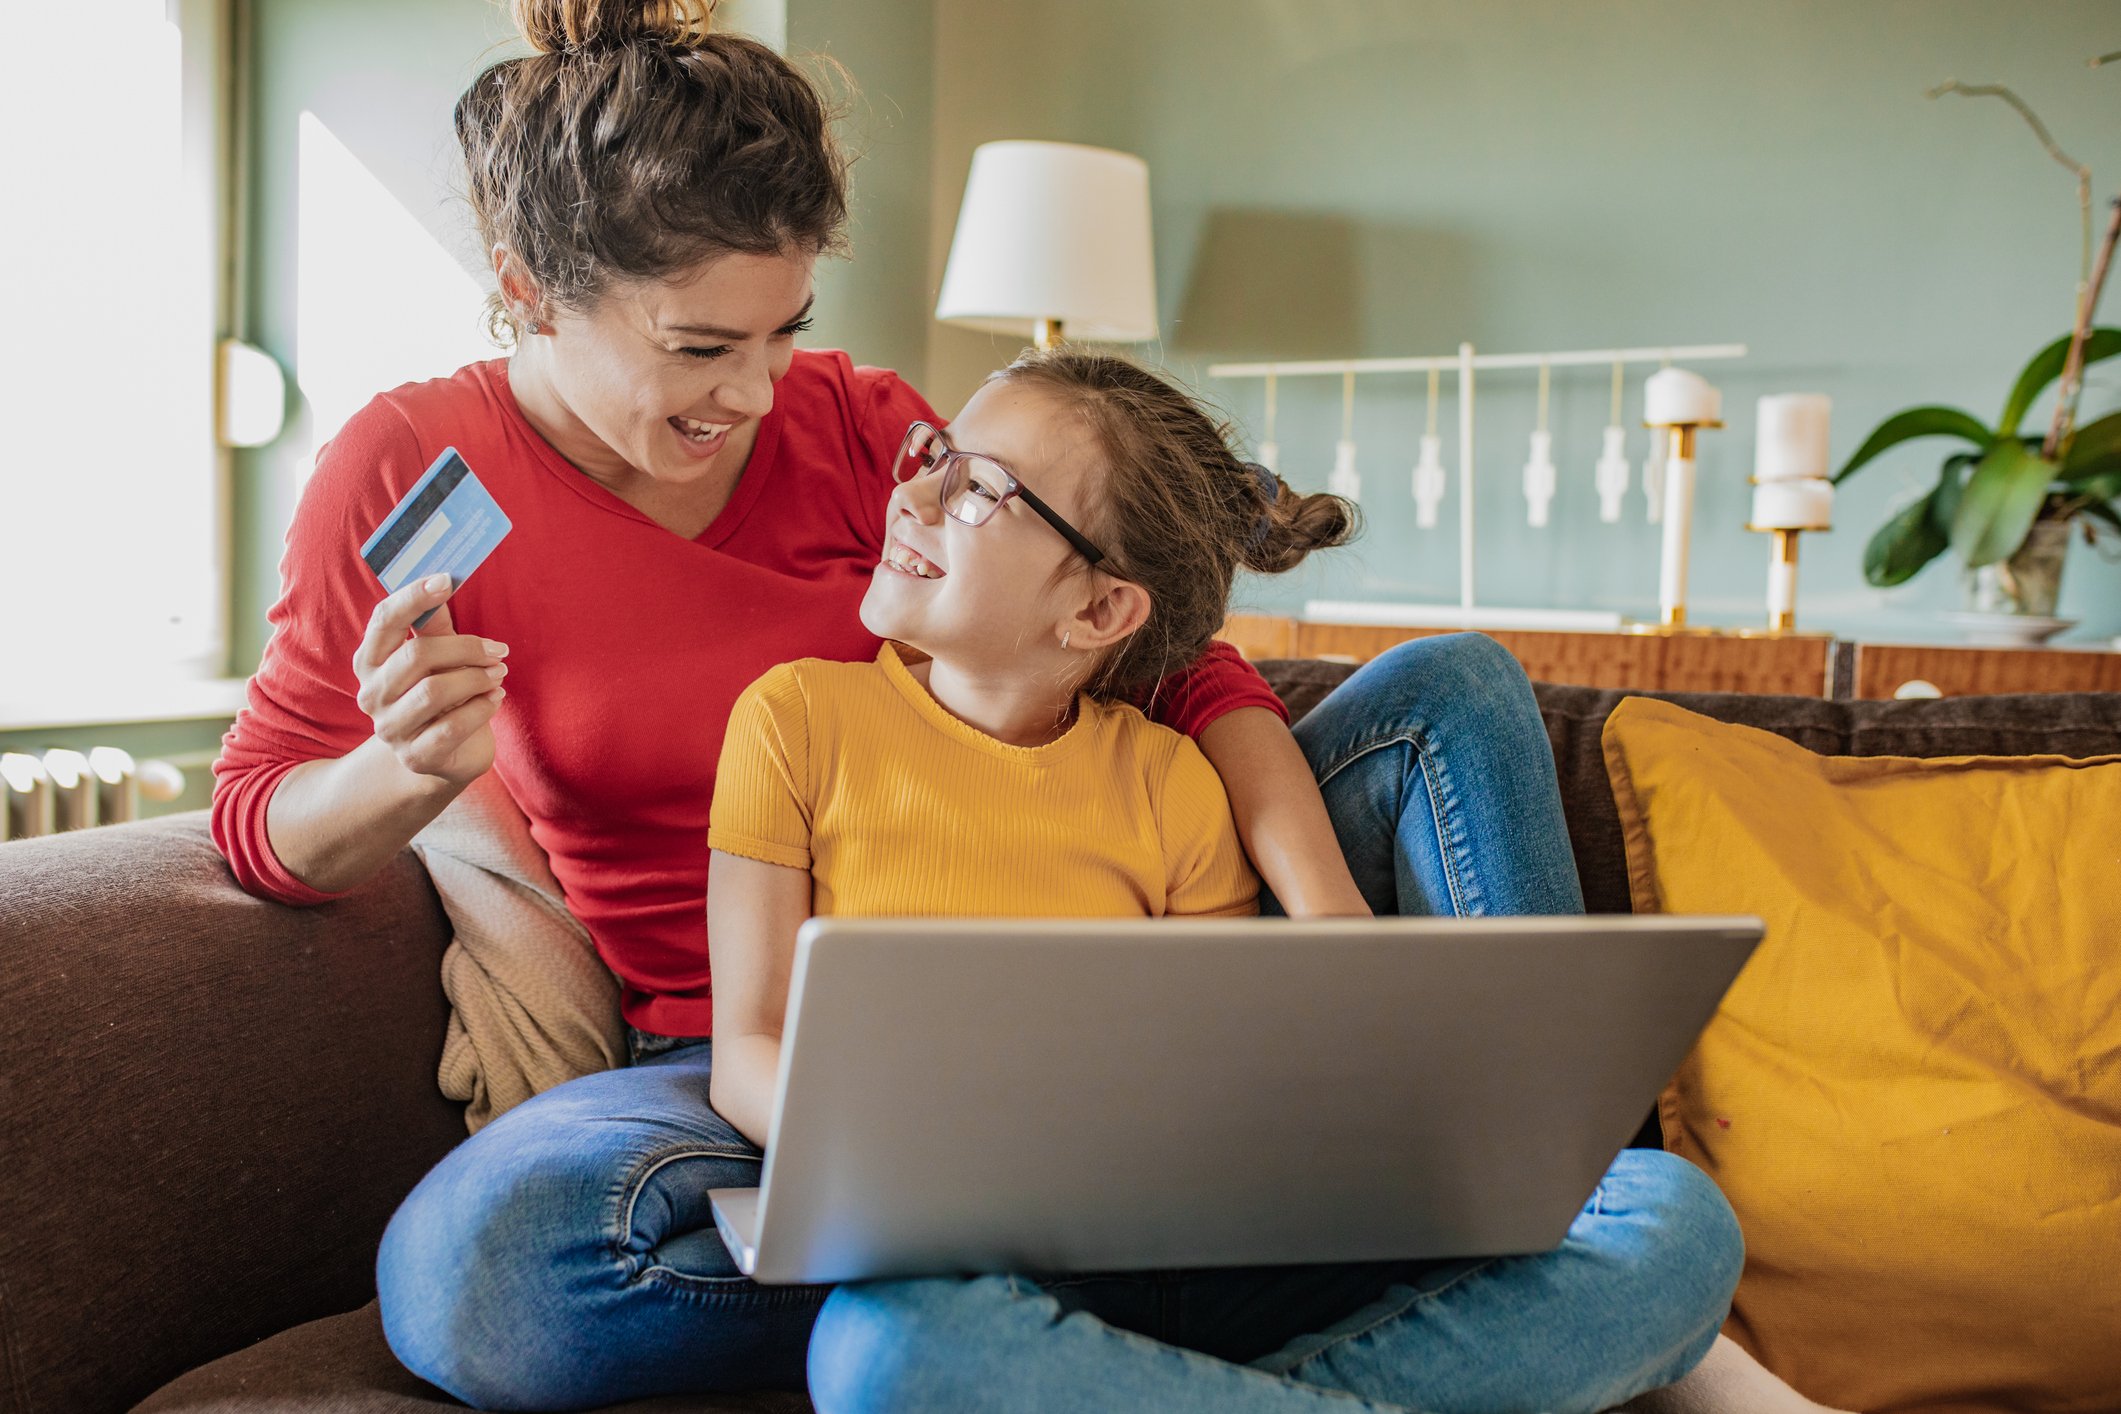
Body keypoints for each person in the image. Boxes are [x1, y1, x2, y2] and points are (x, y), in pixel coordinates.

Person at [213, 1, 1837, 1408]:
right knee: (474, 1279)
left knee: (1450, 693)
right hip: (747, 1052)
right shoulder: (403, 474)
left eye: (789, 330)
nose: (758, 394)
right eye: (702, 345)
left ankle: (1540, 1195)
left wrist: (1330, 920)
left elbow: (1167, 663)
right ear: (524, 288)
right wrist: (397, 771)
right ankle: (1447, 1327)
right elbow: (261, 816)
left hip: (1096, 1001)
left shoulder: (866, 435)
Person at [706, 345, 1743, 1414]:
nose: (915, 490)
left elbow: (1225, 1085)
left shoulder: (1168, 781)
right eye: (934, 454)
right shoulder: (794, 722)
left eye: (977, 488)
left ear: (1103, 613)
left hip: (1184, 1255)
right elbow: (745, 1045)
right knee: (881, 1351)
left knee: (1681, 1225)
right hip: (966, 1266)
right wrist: (894, 1156)